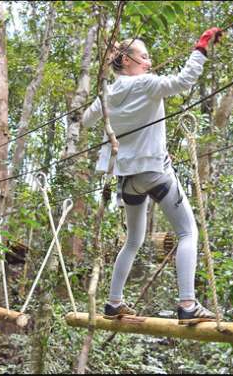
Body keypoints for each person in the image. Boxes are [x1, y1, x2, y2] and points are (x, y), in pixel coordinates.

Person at [81, 27, 223, 324]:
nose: (149, 61)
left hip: (128, 179)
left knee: (133, 241)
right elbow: (184, 81)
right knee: (188, 232)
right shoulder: (145, 83)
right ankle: (187, 304)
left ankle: (113, 302)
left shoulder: (107, 93)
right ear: (127, 61)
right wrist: (200, 49)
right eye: (143, 57)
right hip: (155, 173)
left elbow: (86, 120)